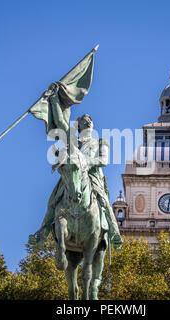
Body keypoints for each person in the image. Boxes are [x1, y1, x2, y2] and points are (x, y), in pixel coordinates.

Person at [33, 89, 123, 251]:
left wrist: (85, 163)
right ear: (79, 126)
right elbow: (60, 122)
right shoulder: (72, 142)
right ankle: (43, 231)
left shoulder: (101, 141)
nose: (87, 121)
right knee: (53, 200)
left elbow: (103, 160)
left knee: (103, 200)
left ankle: (114, 232)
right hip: (71, 176)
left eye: (90, 120)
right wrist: (54, 100)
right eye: (84, 120)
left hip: (92, 176)